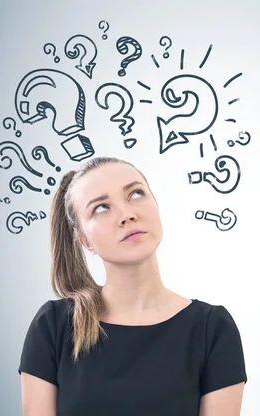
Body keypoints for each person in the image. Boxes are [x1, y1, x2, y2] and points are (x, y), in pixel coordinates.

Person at [18, 156, 248, 415]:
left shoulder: (213, 330)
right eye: (101, 208)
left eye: (136, 193)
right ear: (85, 241)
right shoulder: (53, 327)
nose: (127, 215)